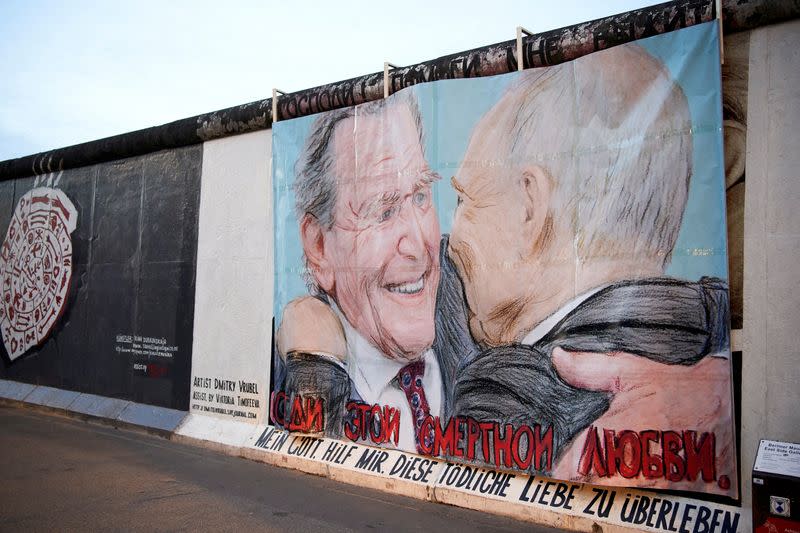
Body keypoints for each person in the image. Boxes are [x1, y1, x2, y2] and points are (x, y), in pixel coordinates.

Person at [447, 44, 734, 491]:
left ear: (529, 206)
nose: (450, 241)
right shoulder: (716, 359)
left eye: (465, 200)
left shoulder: (503, 403)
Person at [275, 91, 449, 453]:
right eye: (382, 212)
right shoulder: (284, 376)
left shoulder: (479, 332)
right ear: (319, 246)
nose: (418, 246)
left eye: (420, 197)